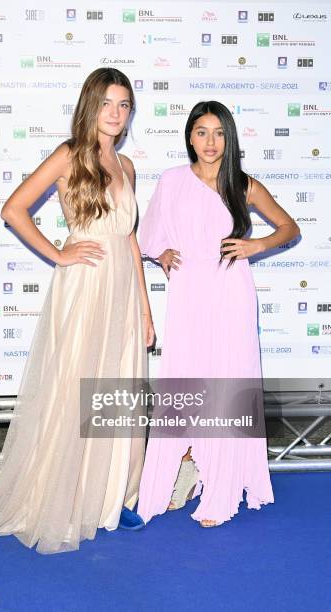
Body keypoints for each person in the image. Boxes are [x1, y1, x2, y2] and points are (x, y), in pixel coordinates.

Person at [0, 67, 155, 553]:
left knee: (118, 390)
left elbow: (130, 239)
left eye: (124, 105)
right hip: (83, 286)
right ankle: (69, 494)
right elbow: (13, 209)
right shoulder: (69, 155)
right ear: (91, 104)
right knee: (75, 387)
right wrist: (61, 252)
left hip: (123, 290)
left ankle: (114, 497)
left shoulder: (126, 167)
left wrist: (145, 309)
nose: (116, 113)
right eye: (108, 102)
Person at [137, 100, 300, 528]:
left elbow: (289, 228)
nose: (211, 142)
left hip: (232, 295)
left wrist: (256, 245)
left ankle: (222, 486)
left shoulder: (241, 184)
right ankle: (187, 468)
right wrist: (161, 251)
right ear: (190, 136)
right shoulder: (172, 181)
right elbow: (148, 234)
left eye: (219, 133)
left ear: (229, 138)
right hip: (189, 295)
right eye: (202, 132)